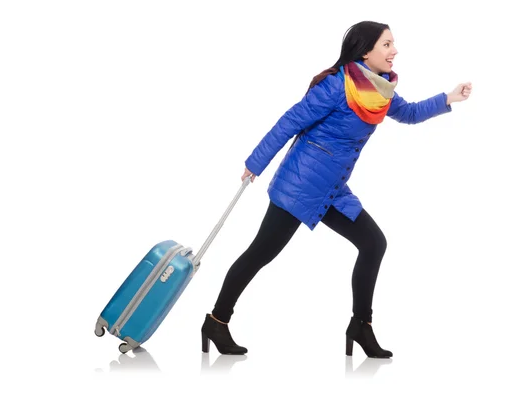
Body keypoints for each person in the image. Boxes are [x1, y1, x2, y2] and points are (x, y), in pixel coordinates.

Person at [200, 21, 472, 358]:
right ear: (366, 51)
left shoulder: (381, 89)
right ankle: (217, 321)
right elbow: (290, 121)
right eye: (387, 44)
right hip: (299, 184)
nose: (394, 51)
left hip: (332, 189)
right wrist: (256, 163)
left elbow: (410, 113)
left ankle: (361, 326)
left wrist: (448, 98)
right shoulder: (336, 85)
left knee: (373, 243)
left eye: (393, 44)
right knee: (261, 254)